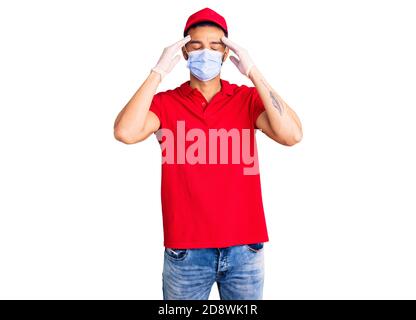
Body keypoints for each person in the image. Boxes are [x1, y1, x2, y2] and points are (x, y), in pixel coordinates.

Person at [114, 7, 303, 300]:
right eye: (197, 46)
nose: (207, 53)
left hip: (245, 249)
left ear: (226, 53)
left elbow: (292, 134)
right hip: (186, 251)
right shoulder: (166, 104)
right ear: (185, 53)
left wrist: (253, 71)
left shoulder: (246, 99)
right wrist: (158, 71)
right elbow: (125, 132)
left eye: (215, 47)